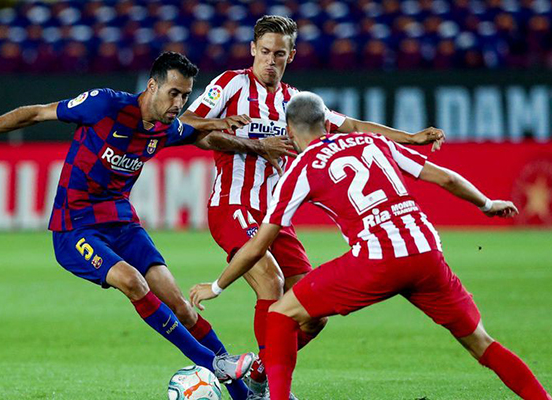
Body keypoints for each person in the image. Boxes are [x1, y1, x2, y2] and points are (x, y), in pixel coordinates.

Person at [0, 52, 295, 400]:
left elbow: (196, 131)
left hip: (122, 223)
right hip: (75, 227)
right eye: (173, 93)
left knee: (182, 307)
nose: (179, 103)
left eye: (185, 95)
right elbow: (36, 113)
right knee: (131, 281)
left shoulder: (165, 128)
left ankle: (243, 393)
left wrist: (249, 141)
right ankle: (212, 363)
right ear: (152, 86)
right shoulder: (104, 105)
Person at [189, 92, 551, 400]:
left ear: (289, 131)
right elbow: (445, 177)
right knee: (482, 343)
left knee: (282, 314)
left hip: (378, 258)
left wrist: (217, 286)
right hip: (427, 252)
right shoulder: (373, 142)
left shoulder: (301, 167)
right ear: (326, 124)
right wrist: (487, 204)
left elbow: (258, 245)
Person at [180, 14, 445, 396]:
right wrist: (248, 142)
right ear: (253, 49)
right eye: (265, 52)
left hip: (276, 218)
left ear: (291, 56)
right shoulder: (230, 84)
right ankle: (273, 388)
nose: (271, 61)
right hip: (232, 205)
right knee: (270, 281)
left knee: (313, 313)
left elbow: (352, 126)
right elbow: (188, 123)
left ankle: (259, 372)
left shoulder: (295, 101)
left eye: (279, 54)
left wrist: (409, 137)